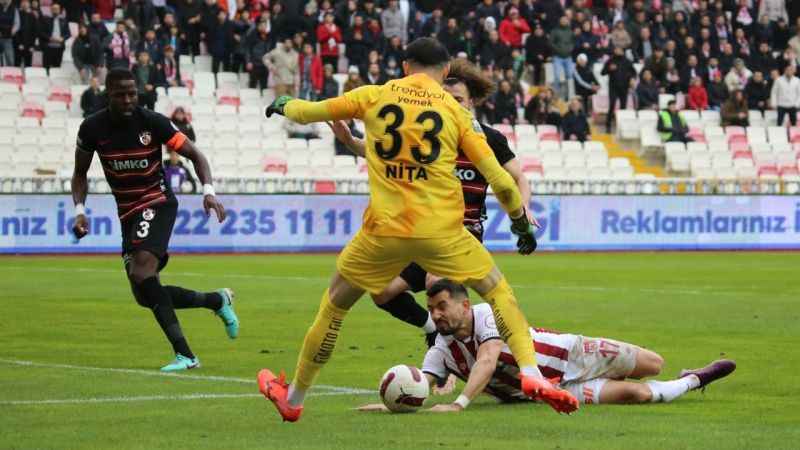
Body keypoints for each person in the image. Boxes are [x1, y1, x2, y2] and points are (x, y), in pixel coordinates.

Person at [257, 38, 577, 422]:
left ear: (406, 66)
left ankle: (294, 398)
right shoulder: (455, 114)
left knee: (334, 306)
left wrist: (283, 105)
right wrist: (521, 225)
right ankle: (530, 373)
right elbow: (504, 183)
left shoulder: (374, 95)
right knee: (498, 293)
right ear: (444, 72)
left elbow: (310, 112)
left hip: (383, 233)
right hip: (444, 233)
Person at [328, 58, 534, 346]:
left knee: (436, 286)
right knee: (382, 292)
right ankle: (433, 331)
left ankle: (454, 357)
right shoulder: (428, 135)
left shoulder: (489, 139)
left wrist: (522, 208)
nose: (451, 103)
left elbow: (519, 179)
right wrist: (351, 142)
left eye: (458, 99)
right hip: (422, 229)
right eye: (446, 97)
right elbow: (383, 156)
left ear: (471, 102)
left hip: (462, 232)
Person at [70, 69, 237, 372]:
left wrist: (209, 191)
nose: (128, 99)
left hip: (156, 201)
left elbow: (196, 156)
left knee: (142, 268)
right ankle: (216, 300)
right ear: (108, 94)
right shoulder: (92, 128)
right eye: (121, 94)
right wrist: (79, 210)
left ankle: (186, 355)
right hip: (127, 212)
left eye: (132, 93)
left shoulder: (153, 122)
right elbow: (80, 174)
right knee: (144, 294)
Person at [357, 280, 736, 412]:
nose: (436, 315)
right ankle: (693, 380)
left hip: (571, 353)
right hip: (549, 390)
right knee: (637, 395)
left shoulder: (487, 314)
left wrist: (459, 404)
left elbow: (488, 360)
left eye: (442, 307)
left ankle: (677, 374)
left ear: (463, 305)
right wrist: (390, 401)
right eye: (431, 309)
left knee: (653, 364)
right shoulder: (440, 349)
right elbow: (422, 384)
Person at [603, 46, 637, 132]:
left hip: (624, 87)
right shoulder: (610, 60)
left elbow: (634, 72)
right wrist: (609, 69)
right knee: (612, 105)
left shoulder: (627, 61)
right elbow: (602, 72)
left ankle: (622, 126)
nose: (617, 51)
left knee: (623, 107)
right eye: (616, 49)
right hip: (613, 87)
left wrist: (632, 79)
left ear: (622, 51)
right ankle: (608, 125)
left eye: (619, 49)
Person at [549, 15, 575, 100]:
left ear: (568, 21)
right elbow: (550, 43)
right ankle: (556, 96)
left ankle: (568, 95)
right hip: (557, 57)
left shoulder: (570, 31)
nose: (564, 21)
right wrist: (558, 49)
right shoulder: (555, 31)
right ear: (559, 21)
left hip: (568, 57)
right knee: (556, 76)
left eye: (565, 20)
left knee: (570, 76)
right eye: (562, 20)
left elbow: (573, 42)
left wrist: (570, 49)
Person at [39, 3, 70, 71]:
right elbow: (41, 32)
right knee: (46, 69)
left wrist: (63, 38)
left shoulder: (64, 21)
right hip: (48, 47)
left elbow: (68, 34)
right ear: (51, 10)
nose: (55, 10)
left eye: (57, 9)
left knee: (57, 69)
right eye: (53, 9)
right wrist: (49, 38)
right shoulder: (45, 19)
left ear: (59, 10)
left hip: (59, 48)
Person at [0, 0, 18, 66]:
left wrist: (13, 30)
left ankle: (10, 73)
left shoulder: (14, 9)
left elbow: (17, 23)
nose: (5, 1)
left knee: (10, 60)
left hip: (8, 38)